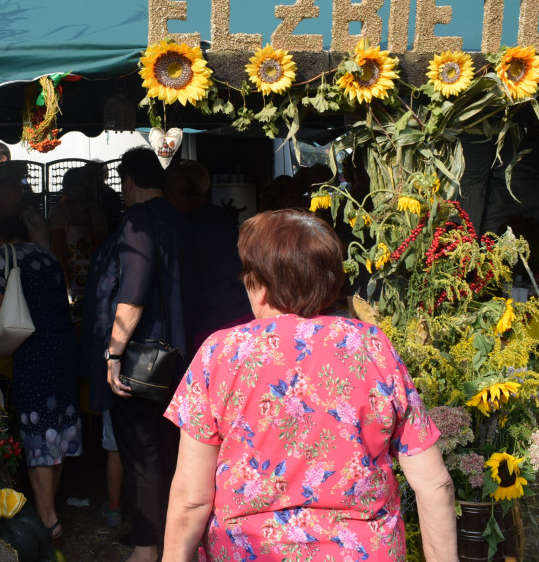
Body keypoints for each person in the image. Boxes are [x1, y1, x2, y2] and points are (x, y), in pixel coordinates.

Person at [162, 210, 457, 562]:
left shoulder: (220, 354)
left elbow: (191, 499)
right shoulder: (372, 348)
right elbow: (434, 483)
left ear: (259, 287)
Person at [85, 147, 192, 562]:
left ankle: (148, 548)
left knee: (142, 454)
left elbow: (132, 293)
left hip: (143, 362)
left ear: (128, 182)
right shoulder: (178, 217)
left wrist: (113, 353)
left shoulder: (138, 220)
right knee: (169, 450)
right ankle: (171, 541)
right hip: (179, 355)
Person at [0, 214, 81, 545]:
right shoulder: (48, 254)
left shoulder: (2, 256)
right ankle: (49, 512)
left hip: (34, 350)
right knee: (58, 430)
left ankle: (48, 520)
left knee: (38, 430)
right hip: (64, 346)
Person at [164, 160, 252, 356]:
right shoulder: (221, 217)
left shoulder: (181, 226)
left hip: (208, 323)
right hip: (241, 313)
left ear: (175, 195)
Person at [0, 160, 49, 289]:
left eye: (18, 183)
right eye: (12, 184)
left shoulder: (33, 218)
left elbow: (45, 254)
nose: (20, 188)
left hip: (31, 282)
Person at [49, 167, 107, 303]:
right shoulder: (59, 213)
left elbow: (103, 245)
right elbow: (57, 252)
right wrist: (67, 287)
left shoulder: (95, 212)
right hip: (70, 279)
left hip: (95, 278)